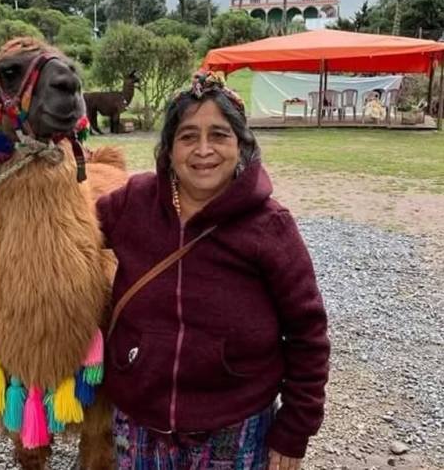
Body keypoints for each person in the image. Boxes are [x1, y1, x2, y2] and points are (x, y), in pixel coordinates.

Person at [96, 71, 330, 470]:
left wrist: (294, 429)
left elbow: (308, 333)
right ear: (168, 149)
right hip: (138, 425)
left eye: (219, 135)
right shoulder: (133, 202)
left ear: (242, 146)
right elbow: (68, 237)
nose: (203, 149)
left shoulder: (270, 226)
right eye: (188, 136)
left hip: (233, 429)